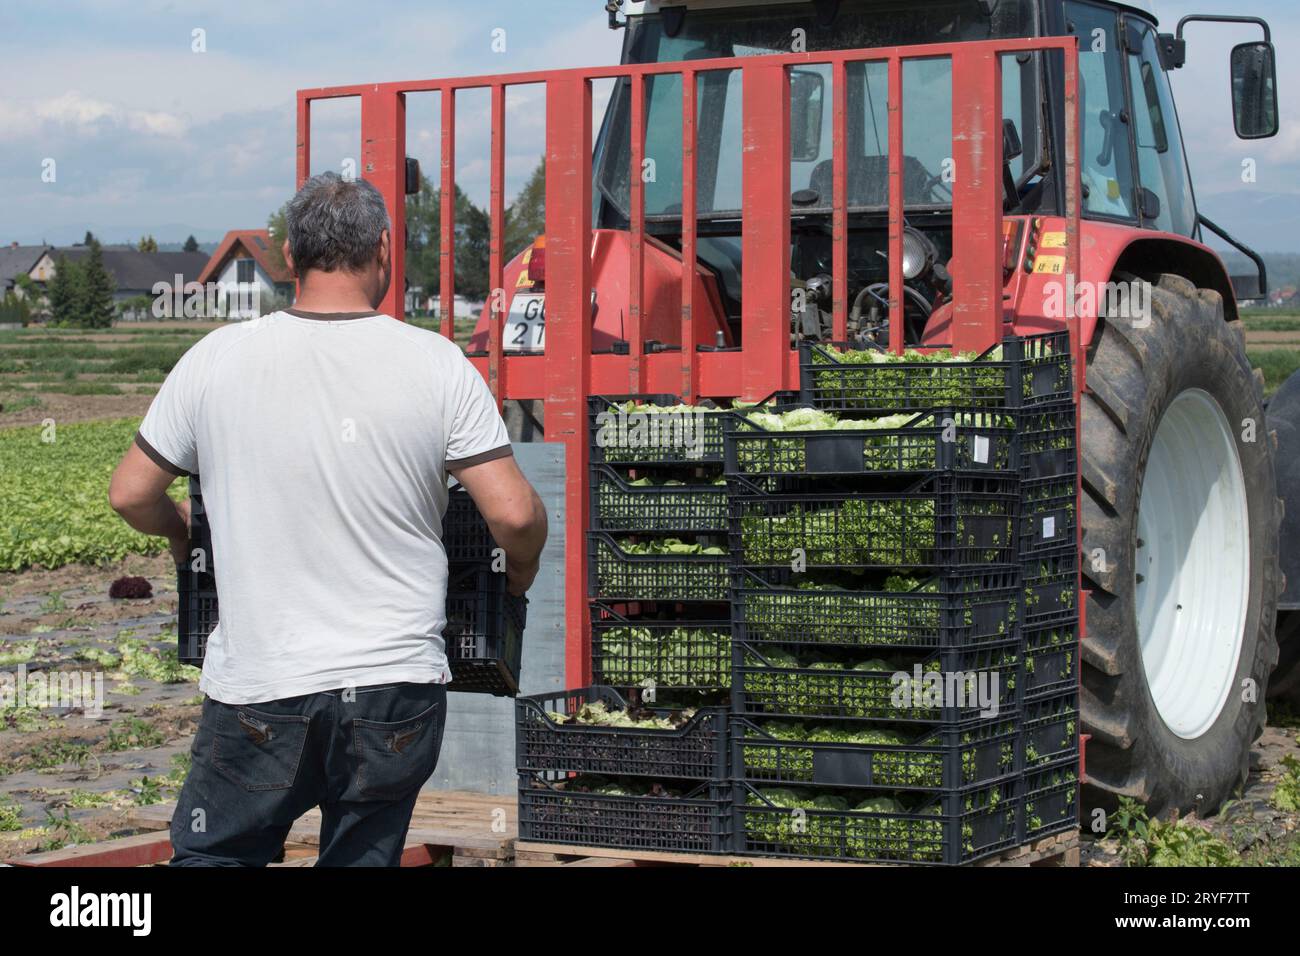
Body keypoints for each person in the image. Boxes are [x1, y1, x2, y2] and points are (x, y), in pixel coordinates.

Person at [108, 171, 547, 866]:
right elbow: (515, 514)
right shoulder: (437, 364)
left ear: (288, 256)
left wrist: (181, 534)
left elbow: (131, 493)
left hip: (260, 687)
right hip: (394, 691)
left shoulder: (215, 359)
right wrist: (517, 579)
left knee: (217, 855)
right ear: (384, 251)